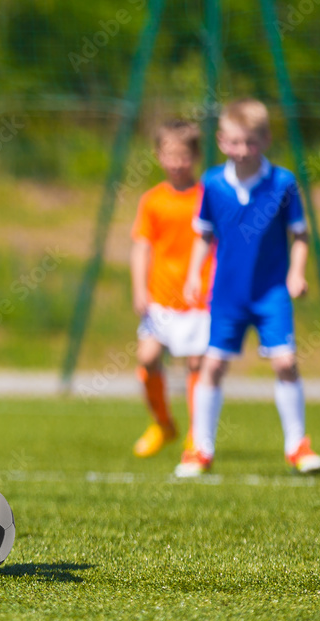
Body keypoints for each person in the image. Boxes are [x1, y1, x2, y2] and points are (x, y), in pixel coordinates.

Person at [177, 98, 320, 477]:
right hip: (227, 293)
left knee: (286, 362)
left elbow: (301, 235)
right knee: (212, 366)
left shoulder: (283, 183)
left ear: (266, 139)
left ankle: (298, 446)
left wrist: (296, 272)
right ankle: (200, 449)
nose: (242, 151)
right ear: (222, 141)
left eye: (251, 143)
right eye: (234, 143)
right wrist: (195, 274)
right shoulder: (212, 182)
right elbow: (203, 236)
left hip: (271, 291)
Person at [129, 120, 211, 458]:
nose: (177, 162)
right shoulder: (152, 201)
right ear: (159, 156)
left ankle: (197, 434)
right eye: (170, 154)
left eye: (184, 155)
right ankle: (163, 423)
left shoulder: (209, 197)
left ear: (196, 156)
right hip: (161, 298)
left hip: (200, 298)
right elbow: (141, 246)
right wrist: (139, 289)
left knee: (197, 364)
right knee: (147, 358)